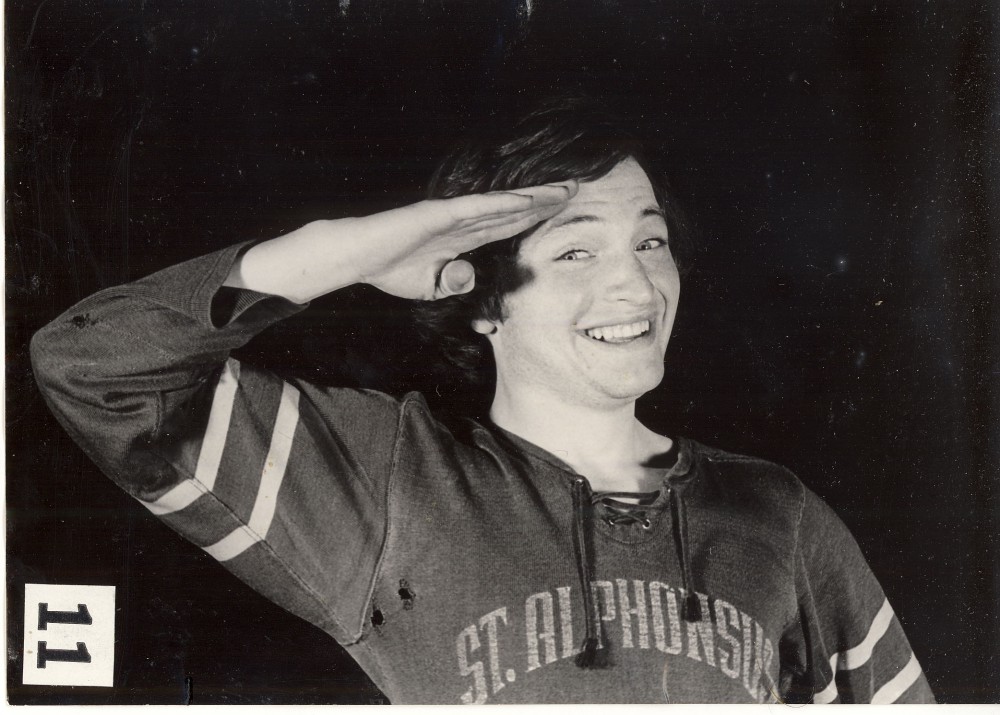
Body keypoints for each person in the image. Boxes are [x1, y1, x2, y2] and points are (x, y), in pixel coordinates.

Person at [30, 96, 934, 704]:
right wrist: (343, 251)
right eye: (576, 250)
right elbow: (91, 369)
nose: (636, 285)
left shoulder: (780, 516)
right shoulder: (390, 479)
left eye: (650, 241)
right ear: (482, 298)